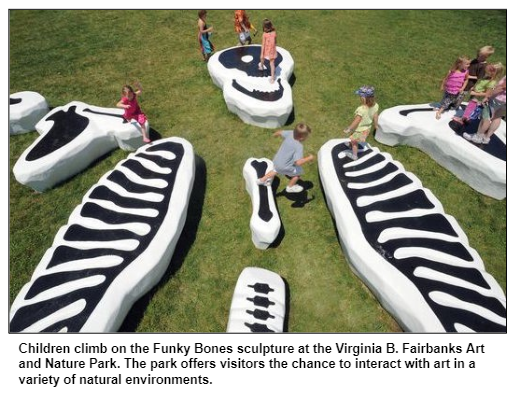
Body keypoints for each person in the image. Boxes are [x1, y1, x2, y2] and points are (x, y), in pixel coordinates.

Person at [257, 123, 314, 193]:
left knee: (275, 170)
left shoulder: (290, 133)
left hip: (276, 161)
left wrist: (274, 135)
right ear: (301, 137)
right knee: (298, 174)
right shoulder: (299, 146)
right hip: (285, 166)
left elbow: (280, 132)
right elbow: (298, 162)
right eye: (306, 136)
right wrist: (309, 158)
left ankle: (261, 180)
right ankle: (290, 187)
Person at [463, 75, 506, 144]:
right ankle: (486, 138)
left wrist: (489, 96)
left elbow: (502, 87)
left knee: (486, 117)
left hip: (497, 99)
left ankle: (477, 137)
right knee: (497, 117)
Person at [342, 85, 379, 161]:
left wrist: (349, 128)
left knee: (354, 142)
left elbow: (356, 121)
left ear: (363, 98)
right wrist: (376, 125)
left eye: (360, 96)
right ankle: (350, 144)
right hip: (367, 128)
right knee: (355, 138)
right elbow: (375, 116)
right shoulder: (375, 105)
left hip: (359, 130)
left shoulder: (361, 109)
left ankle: (354, 155)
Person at [258, 18, 277, 83]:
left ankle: (261, 66)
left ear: (265, 28)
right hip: (272, 51)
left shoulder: (264, 35)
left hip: (266, 50)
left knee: (262, 58)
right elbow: (275, 41)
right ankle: (272, 78)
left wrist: (261, 53)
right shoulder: (274, 33)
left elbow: (263, 45)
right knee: (272, 64)